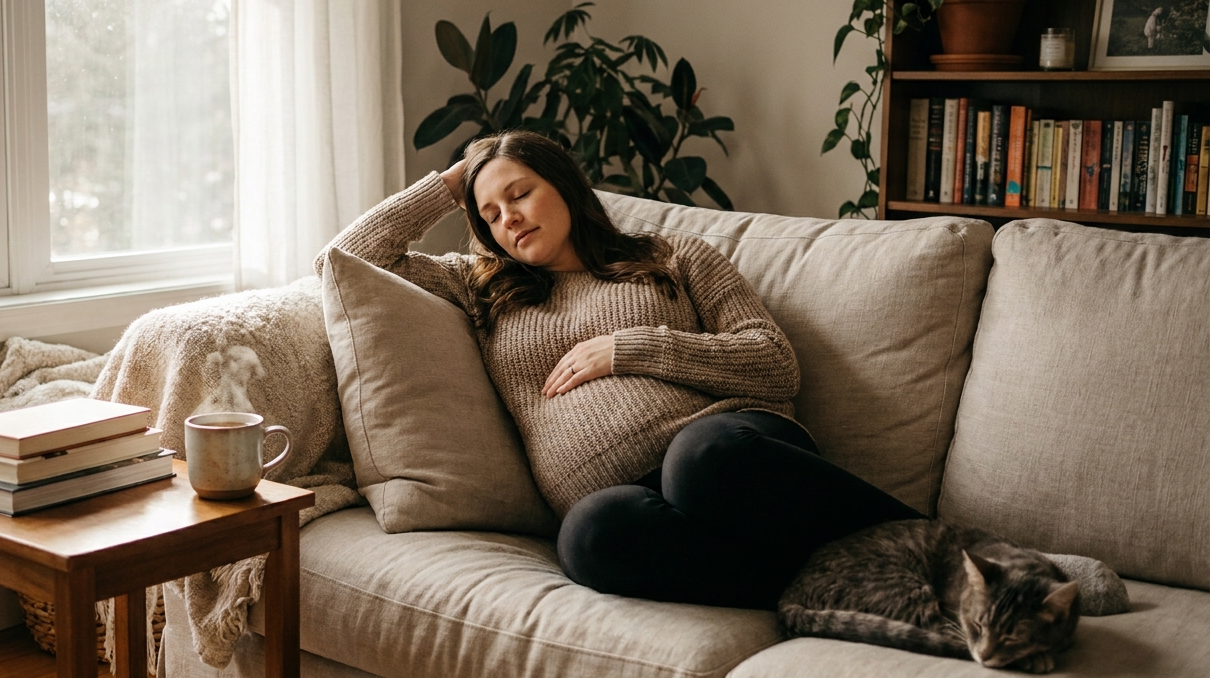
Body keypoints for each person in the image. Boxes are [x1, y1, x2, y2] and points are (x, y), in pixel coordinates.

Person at [317, 130, 921, 609]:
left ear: (565, 185)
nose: (511, 218)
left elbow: (773, 364)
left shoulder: (674, 256)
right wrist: (452, 184)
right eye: (491, 213)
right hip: (628, 501)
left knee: (697, 461)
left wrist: (631, 349)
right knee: (589, 536)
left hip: (732, 451)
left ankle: (929, 545)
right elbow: (340, 260)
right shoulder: (483, 289)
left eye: (521, 193)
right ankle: (848, 589)